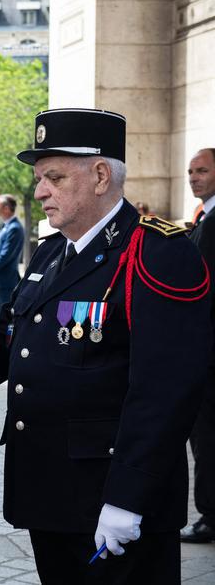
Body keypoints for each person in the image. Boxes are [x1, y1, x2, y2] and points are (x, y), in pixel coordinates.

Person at [0, 108, 211, 583]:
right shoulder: (51, 250)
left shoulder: (156, 253)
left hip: (114, 502)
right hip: (49, 492)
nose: (39, 190)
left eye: (54, 177)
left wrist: (129, 497)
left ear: (101, 175)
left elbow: (165, 391)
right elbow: (7, 337)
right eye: (39, 178)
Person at [182, 147, 215, 544]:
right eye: (190, 171)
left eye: (203, 170)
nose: (193, 177)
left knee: (206, 436)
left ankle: (209, 514)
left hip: (207, 351)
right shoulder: (203, 217)